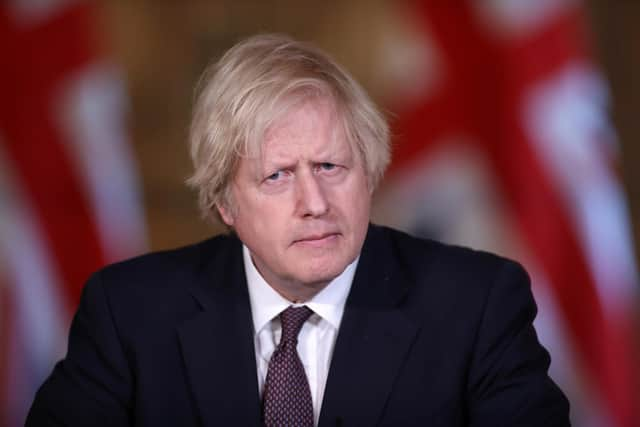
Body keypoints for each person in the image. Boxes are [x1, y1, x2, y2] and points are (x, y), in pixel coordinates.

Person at [27, 34, 570, 426]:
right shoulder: (130, 313)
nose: (314, 203)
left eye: (331, 167)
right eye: (277, 176)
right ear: (224, 202)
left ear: (371, 173)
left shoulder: (477, 304)